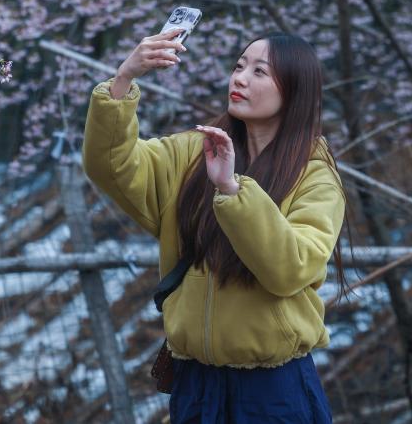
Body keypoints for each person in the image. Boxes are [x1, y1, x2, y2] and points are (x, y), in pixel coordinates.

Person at [82, 28, 346, 424]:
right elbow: (111, 166)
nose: (239, 78)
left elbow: (291, 268)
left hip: (271, 388)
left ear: (294, 91)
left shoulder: (315, 177)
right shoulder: (197, 150)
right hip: (196, 384)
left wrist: (231, 189)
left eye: (260, 72)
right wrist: (123, 80)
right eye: (239, 67)